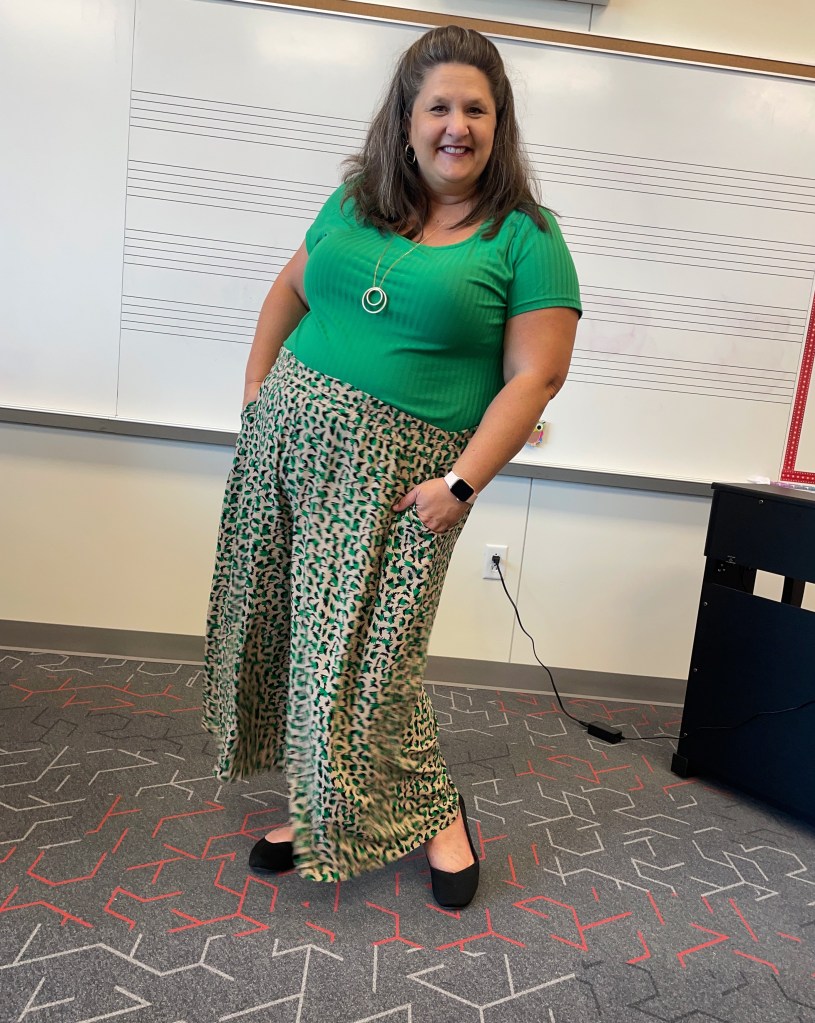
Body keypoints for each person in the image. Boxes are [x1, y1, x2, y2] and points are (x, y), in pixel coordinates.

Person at [203, 24, 581, 909]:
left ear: (499, 124)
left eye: (475, 110)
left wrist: (460, 484)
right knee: (293, 638)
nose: (457, 126)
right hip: (283, 452)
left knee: (373, 661)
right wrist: (258, 390)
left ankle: (437, 813)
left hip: (402, 483)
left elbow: (537, 376)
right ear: (405, 120)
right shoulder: (354, 201)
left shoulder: (525, 237)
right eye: (438, 107)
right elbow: (289, 288)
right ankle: (319, 808)